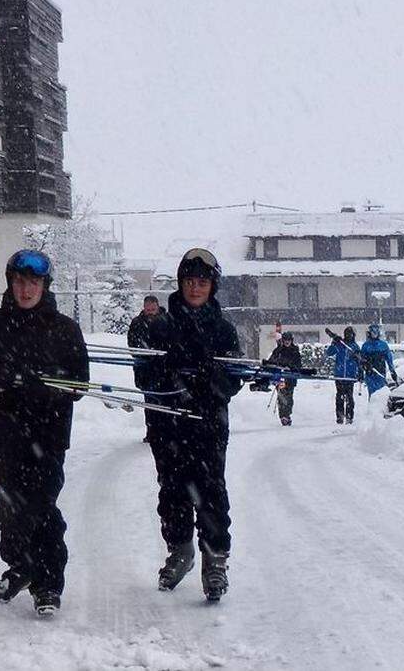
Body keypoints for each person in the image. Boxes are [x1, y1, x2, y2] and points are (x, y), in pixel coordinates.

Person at [0, 249, 89, 617]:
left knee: (39, 507)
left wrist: (42, 388)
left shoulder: (64, 330)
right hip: (2, 437)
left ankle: (47, 583)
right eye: (20, 281)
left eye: (33, 282)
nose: (26, 289)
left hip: (47, 438)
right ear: (10, 283)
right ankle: (21, 565)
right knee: (12, 506)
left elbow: (79, 383)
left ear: (45, 285)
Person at [152, 248, 243, 602]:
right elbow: (145, 373)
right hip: (169, 423)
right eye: (189, 281)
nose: (195, 288)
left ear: (212, 286)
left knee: (211, 493)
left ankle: (215, 561)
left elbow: (234, 379)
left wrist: (210, 381)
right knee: (172, 491)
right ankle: (180, 550)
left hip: (208, 424)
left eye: (202, 282)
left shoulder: (223, 330)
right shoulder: (161, 325)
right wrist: (171, 378)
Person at [127, 295, 169, 443]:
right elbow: (132, 344)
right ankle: (152, 432)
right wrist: (146, 354)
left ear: (158, 306)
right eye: (147, 309)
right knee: (150, 403)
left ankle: (166, 431)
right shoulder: (137, 323)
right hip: (145, 371)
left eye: (153, 309)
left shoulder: (167, 321)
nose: (150, 312)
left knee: (165, 401)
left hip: (165, 371)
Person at [265, 331, 303, 426]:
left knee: (289, 397)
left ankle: (287, 414)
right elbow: (271, 361)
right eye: (285, 340)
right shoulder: (278, 350)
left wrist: (291, 367)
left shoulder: (295, 351)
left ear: (291, 340)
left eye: (289, 340)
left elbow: (298, 365)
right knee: (281, 396)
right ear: (283, 340)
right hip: (280, 378)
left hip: (290, 378)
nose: (287, 342)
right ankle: (283, 416)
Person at [325, 326, 361, 423]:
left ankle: (349, 416)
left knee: (349, 397)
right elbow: (329, 353)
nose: (349, 336)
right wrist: (334, 343)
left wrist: (360, 373)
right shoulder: (340, 344)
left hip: (350, 376)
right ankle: (340, 416)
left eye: (350, 334)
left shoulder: (354, 347)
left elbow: (359, 361)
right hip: (339, 375)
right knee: (340, 396)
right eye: (347, 334)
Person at [360, 323, 399, 397]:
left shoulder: (383, 345)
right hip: (370, 374)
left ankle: (380, 407)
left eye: (376, 331)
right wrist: (361, 371)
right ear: (369, 332)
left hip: (380, 373)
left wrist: (392, 371)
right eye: (372, 331)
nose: (374, 333)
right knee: (372, 394)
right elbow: (361, 360)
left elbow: (389, 359)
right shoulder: (366, 346)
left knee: (381, 394)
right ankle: (372, 407)